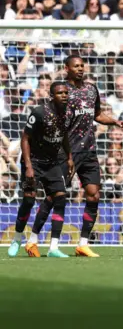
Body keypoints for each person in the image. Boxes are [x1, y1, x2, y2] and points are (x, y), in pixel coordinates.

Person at [31, 56, 123, 258]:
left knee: (94, 194)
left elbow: (97, 115)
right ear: (66, 68)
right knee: (53, 197)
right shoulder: (62, 91)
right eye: (76, 66)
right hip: (66, 152)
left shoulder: (91, 89)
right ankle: (33, 239)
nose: (80, 69)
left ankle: (83, 244)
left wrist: (114, 122)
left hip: (89, 151)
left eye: (82, 65)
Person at [8, 82, 74, 258]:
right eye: (60, 93)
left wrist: (69, 157)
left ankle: (53, 248)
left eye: (66, 92)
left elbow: (64, 135)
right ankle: (17, 238)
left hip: (51, 162)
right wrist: (28, 166)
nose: (65, 95)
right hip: (34, 162)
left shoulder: (68, 113)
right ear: (52, 96)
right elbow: (25, 139)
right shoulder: (39, 112)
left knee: (60, 198)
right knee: (29, 200)